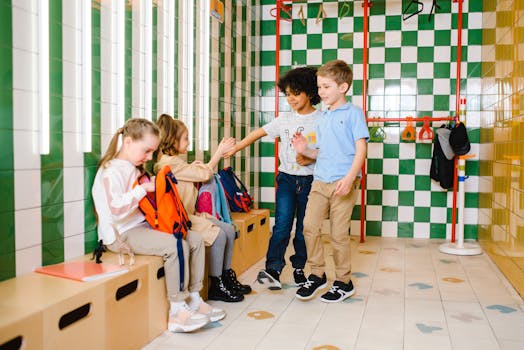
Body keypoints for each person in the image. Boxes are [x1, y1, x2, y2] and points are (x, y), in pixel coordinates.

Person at [92, 118, 225, 333]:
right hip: (121, 234)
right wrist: (143, 190)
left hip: (142, 226)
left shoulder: (133, 168)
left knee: (195, 239)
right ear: (127, 143)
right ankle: (177, 311)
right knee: (175, 245)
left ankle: (193, 298)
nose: (149, 157)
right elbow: (116, 209)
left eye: (152, 152)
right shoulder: (111, 171)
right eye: (146, 151)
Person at [225, 66, 321, 289]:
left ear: (309, 92)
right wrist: (236, 147)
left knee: (304, 229)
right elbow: (258, 133)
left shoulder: (322, 119)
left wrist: (312, 158)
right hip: (287, 180)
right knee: (281, 226)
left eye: (296, 93)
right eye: (287, 94)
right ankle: (273, 270)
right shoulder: (284, 119)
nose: (291, 98)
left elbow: (331, 150)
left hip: (311, 182)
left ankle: (299, 268)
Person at [291, 60, 369, 303]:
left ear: (343, 87)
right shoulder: (323, 116)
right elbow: (322, 152)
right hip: (320, 181)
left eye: (326, 87)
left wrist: (349, 178)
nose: (321, 92)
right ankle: (317, 274)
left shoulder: (354, 113)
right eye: (319, 87)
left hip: (342, 183)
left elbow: (361, 150)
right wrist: (306, 149)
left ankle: (344, 281)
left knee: (338, 234)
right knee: (309, 227)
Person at [155, 114, 252, 303]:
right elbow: (204, 174)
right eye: (184, 138)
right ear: (172, 140)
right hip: (181, 219)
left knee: (229, 230)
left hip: (189, 214)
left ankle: (225, 276)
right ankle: (216, 284)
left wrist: (195, 166)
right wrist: (218, 153)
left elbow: (198, 173)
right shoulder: (169, 163)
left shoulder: (174, 162)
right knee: (219, 235)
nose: (188, 142)